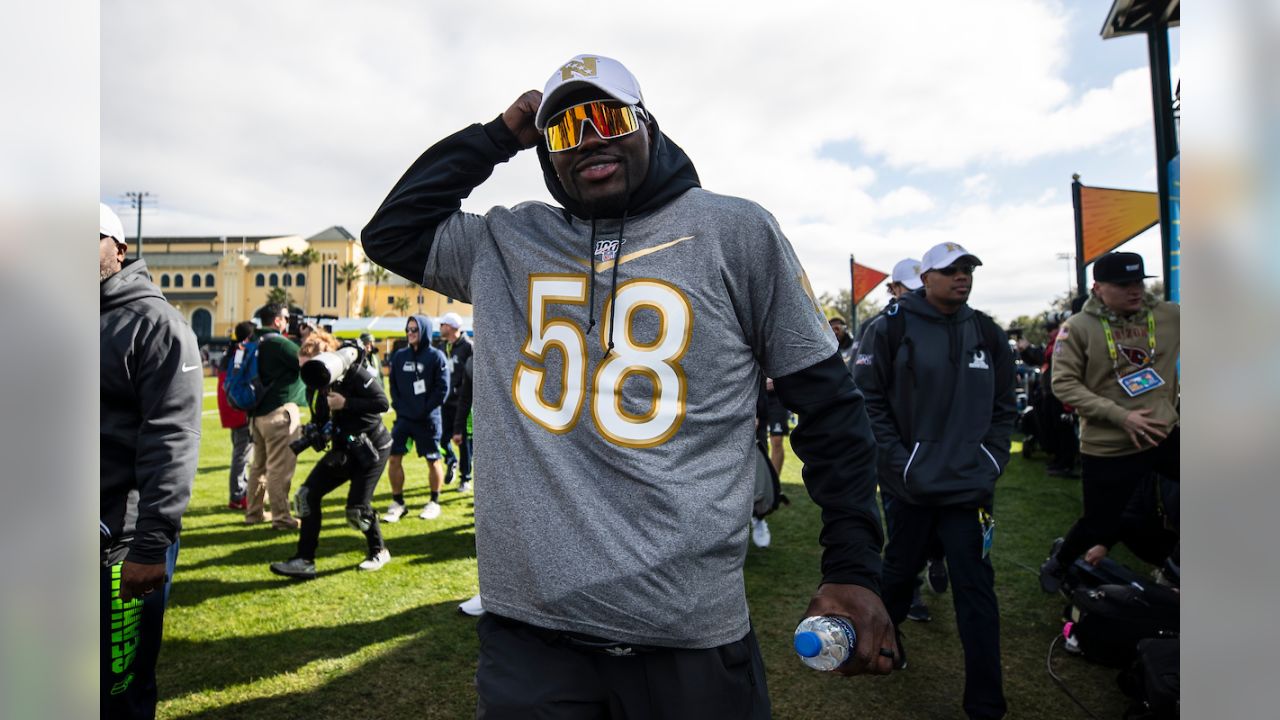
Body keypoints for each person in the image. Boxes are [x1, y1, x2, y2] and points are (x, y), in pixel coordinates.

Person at [362, 53, 894, 716]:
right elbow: (391, 232)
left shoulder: (736, 231)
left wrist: (851, 566)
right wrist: (499, 134)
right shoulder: (504, 240)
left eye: (607, 116)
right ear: (545, 153)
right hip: (531, 635)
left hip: (688, 633)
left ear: (647, 122)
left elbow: (832, 411)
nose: (588, 138)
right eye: (564, 129)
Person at [855, 241, 1014, 720]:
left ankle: (986, 702)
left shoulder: (987, 331)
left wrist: (991, 458)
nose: (962, 277)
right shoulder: (890, 327)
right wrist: (902, 465)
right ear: (926, 278)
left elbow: (1006, 405)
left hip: (970, 489)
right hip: (911, 488)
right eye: (951, 270)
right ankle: (883, 644)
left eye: (968, 269)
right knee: (899, 577)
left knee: (976, 592)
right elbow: (868, 402)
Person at [100, 202, 202, 718]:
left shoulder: (154, 324)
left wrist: (149, 544)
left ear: (118, 250)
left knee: (117, 689)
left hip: (120, 543)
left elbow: (172, 438)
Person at [1038, 252, 1179, 593]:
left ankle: (1177, 567)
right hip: (1109, 443)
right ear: (1099, 288)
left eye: (1138, 282)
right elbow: (1064, 384)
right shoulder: (1079, 328)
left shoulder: (1170, 315)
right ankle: (1060, 562)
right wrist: (1121, 416)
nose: (1134, 291)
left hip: (1163, 434)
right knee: (1100, 524)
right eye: (1123, 284)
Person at [859, 256, 946, 621]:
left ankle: (937, 558)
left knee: (943, 519)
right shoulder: (878, 326)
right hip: (900, 452)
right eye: (906, 288)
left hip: (942, 448)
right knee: (902, 531)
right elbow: (867, 392)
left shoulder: (946, 322)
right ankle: (908, 596)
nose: (913, 295)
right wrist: (892, 452)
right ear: (893, 289)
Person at [269, 330, 394, 578]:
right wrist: (316, 431)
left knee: (357, 509)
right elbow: (324, 419)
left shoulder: (354, 373)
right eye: (302, 369)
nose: (307, 376)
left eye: (310, 368)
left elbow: (383, 403)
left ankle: (379, 551)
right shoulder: (315, 386)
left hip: (372, 447)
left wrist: (346, 404)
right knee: (306, 496)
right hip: (343, 448)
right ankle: (304, 560)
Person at [244, 303, 307, 530]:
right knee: (279, 468)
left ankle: (254, 513)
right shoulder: (279, 343)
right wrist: (307, 339)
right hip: (278, 414)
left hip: (257, 415)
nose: (290, 321)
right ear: (278, 320)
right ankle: (281, 517)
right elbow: (305, 360)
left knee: (258, 466)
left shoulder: (253, 341)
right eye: (287, 317)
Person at [382, 314, 450, 522]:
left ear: (425, 331)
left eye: (415, 330)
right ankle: (398, 502)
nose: (410, 333)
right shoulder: (399, 356)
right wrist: (399, 406)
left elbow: (442, 389)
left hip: (427, 418)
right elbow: (392, 385)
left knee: (433, 459)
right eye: (408, 330)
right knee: (393, 458)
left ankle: (433, 502)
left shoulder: (436, 357)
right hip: (404, 417)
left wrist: (424, 409)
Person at [217, 321, 257, 510]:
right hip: (239, 410)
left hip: (232, 409)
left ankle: (242, 490)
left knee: (241, 453)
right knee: (241, 454)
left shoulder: (231, 352)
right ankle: (238, 494)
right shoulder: (241, 353)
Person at [438, 311, 474, 492]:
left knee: (464, 441)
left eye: (442, 324)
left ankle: (465, 478)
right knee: (442, 439)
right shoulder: (444, 346)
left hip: (463, 402)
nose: (440, 328)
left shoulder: (468, 346)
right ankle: (450, 459)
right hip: (445, 401)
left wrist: (461, 390)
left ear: (451, 326)